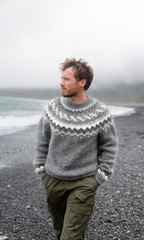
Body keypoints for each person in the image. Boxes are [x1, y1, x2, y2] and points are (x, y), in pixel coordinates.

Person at [34, 58, 118, 240]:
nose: (61, 83)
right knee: (60, 228)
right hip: (52, 180)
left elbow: (109, 145)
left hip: (83, 183)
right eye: (61, 78)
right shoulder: (52, 108)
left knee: (70, 236)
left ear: (82, 83)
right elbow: (42, 141)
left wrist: (100, 176)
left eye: (66, 79)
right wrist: (41, 169)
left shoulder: (100, 113)